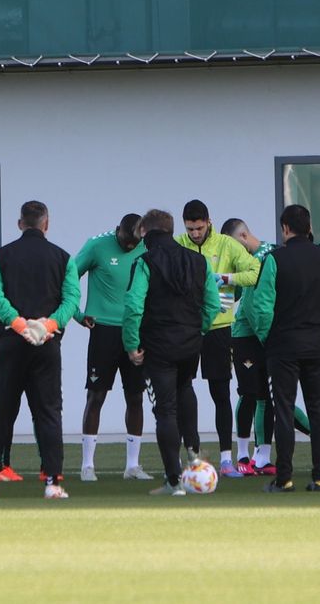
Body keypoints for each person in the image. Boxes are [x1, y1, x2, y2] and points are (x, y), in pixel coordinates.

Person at [0, 200, 79, 500]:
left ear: (20, 224)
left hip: (10, 343)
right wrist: (48, 325)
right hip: (46, 345)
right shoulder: (64, 258)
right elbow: (71, 299)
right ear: (46, 224)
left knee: (2, 411)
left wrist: (18, 323)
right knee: (48, 413)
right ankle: (52, 483)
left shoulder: (1, 256)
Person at [123, 209, 221, 496]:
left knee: (165, 409)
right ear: (172, 229)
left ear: (144, 232)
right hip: (190, 344)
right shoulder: (198, 260)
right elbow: (213, 305)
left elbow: (133, 306)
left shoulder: (145, 262)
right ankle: (194, 454)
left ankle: (174, 481)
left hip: (158, 345)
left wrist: (131, 344)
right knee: (185, 387)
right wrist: (198, 329)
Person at [251, 205, 320, 493]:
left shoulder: (275, 259)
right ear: (309, 227)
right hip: (317, 344)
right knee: (318, 411)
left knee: (283, 410)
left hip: (283, 346)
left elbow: (261, 307)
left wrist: (268, 338)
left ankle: (284, 477)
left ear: (285, 229)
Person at [176, 199, 260, 478]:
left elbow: (254, 272)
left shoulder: (226, 244)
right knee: (182, 391)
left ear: (209, 222)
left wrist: (224, 278)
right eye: (190, 229)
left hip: (219, 328)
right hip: (187, 328)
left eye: (199, 228)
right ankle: (190, 456)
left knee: (220, 393)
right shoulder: (178, 243)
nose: (195, 234)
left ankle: (226, 459)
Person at [73, 213, 152, 482]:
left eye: (135, 243)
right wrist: (76, 313)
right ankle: (87, 465)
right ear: (117, 230)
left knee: (136, 396)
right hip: (103, 330)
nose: (130, 247)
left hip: (135, 330)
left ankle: (132, 465)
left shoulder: (148, 246)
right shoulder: (97, 245)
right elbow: (69, 276)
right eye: (125, 241)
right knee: (96, 395)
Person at [221, 217, 276, 476]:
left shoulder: (268, 255)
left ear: (243, 237)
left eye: (234, 245)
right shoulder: (259, 258)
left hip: (263, 332)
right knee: (250, 391)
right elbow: (237, 297)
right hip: (244, 333)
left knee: (267, 394)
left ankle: (262, 457)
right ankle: (243, 453)